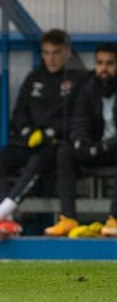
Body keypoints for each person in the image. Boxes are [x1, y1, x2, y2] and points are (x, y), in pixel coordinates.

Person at [0, 29, 85, 240]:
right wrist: (29, 131)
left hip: (56, 145)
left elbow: (77, 117)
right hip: (29, 141)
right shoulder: (34, 77)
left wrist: (49, 133)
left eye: (56, 52)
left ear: (67, 53)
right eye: (47, 52)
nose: (51, 58)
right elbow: (18, 114)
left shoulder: (77, 80)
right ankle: (5, 219)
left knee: (38, 160)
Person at [46, 44, 117, 237]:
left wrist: (103, 146)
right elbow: (78, 118)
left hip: (112, 151)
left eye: (110, 63)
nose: (104, 68)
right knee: (64, 151)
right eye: (100, 63)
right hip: (92, 149)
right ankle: (68, 218)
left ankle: (115, 219)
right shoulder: (88, 86)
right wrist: (79, 141)